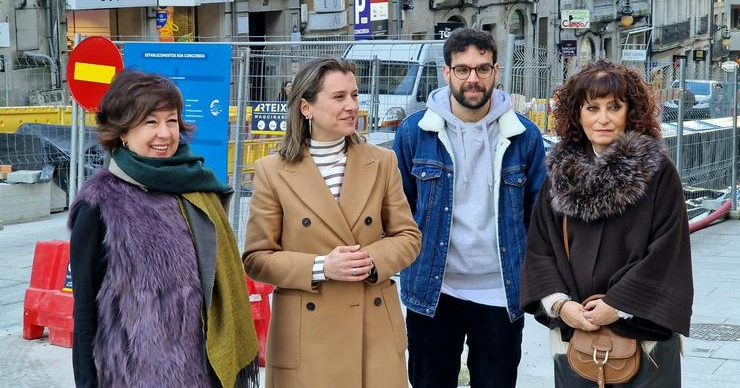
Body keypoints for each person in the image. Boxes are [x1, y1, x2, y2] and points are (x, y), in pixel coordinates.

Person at [69, 70, 259, 388]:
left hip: (205, 369)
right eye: (150, 122)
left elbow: (220, 286)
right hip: (135, 377)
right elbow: (85, 312)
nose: (164, 134)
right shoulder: (100, 205)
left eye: (171, 121)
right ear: (123, 132)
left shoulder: (198, 186)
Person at [243, 57, 421, 388]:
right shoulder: (272, 170)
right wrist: (322, 267)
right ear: (306, 107)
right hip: (306, 340)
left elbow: (408, 237)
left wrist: (370, 261)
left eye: (354, 95)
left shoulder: (382, 161)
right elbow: (256, 259)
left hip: (374, 333)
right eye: (338, 97)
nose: (352, 105)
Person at [519, 60, 693, 387]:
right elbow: (540, 247)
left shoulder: (658, 173)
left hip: (642, 336)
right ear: (577, 114)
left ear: (631, 111)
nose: (603, 118)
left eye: (614, 107)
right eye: (592, 107)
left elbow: (667, 251)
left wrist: (617, 305)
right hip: (576, 336)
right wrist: (560, 305)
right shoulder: (559, 174)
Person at [392, 27, 546, 388]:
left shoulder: (524, 136)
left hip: (500, 292)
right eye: (462, 69)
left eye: (482, 68)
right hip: (433, 291)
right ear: (446, 73)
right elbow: (400, 209)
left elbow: (538, 215)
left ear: (496, 72)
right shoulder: (414, 133)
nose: (472, 79)